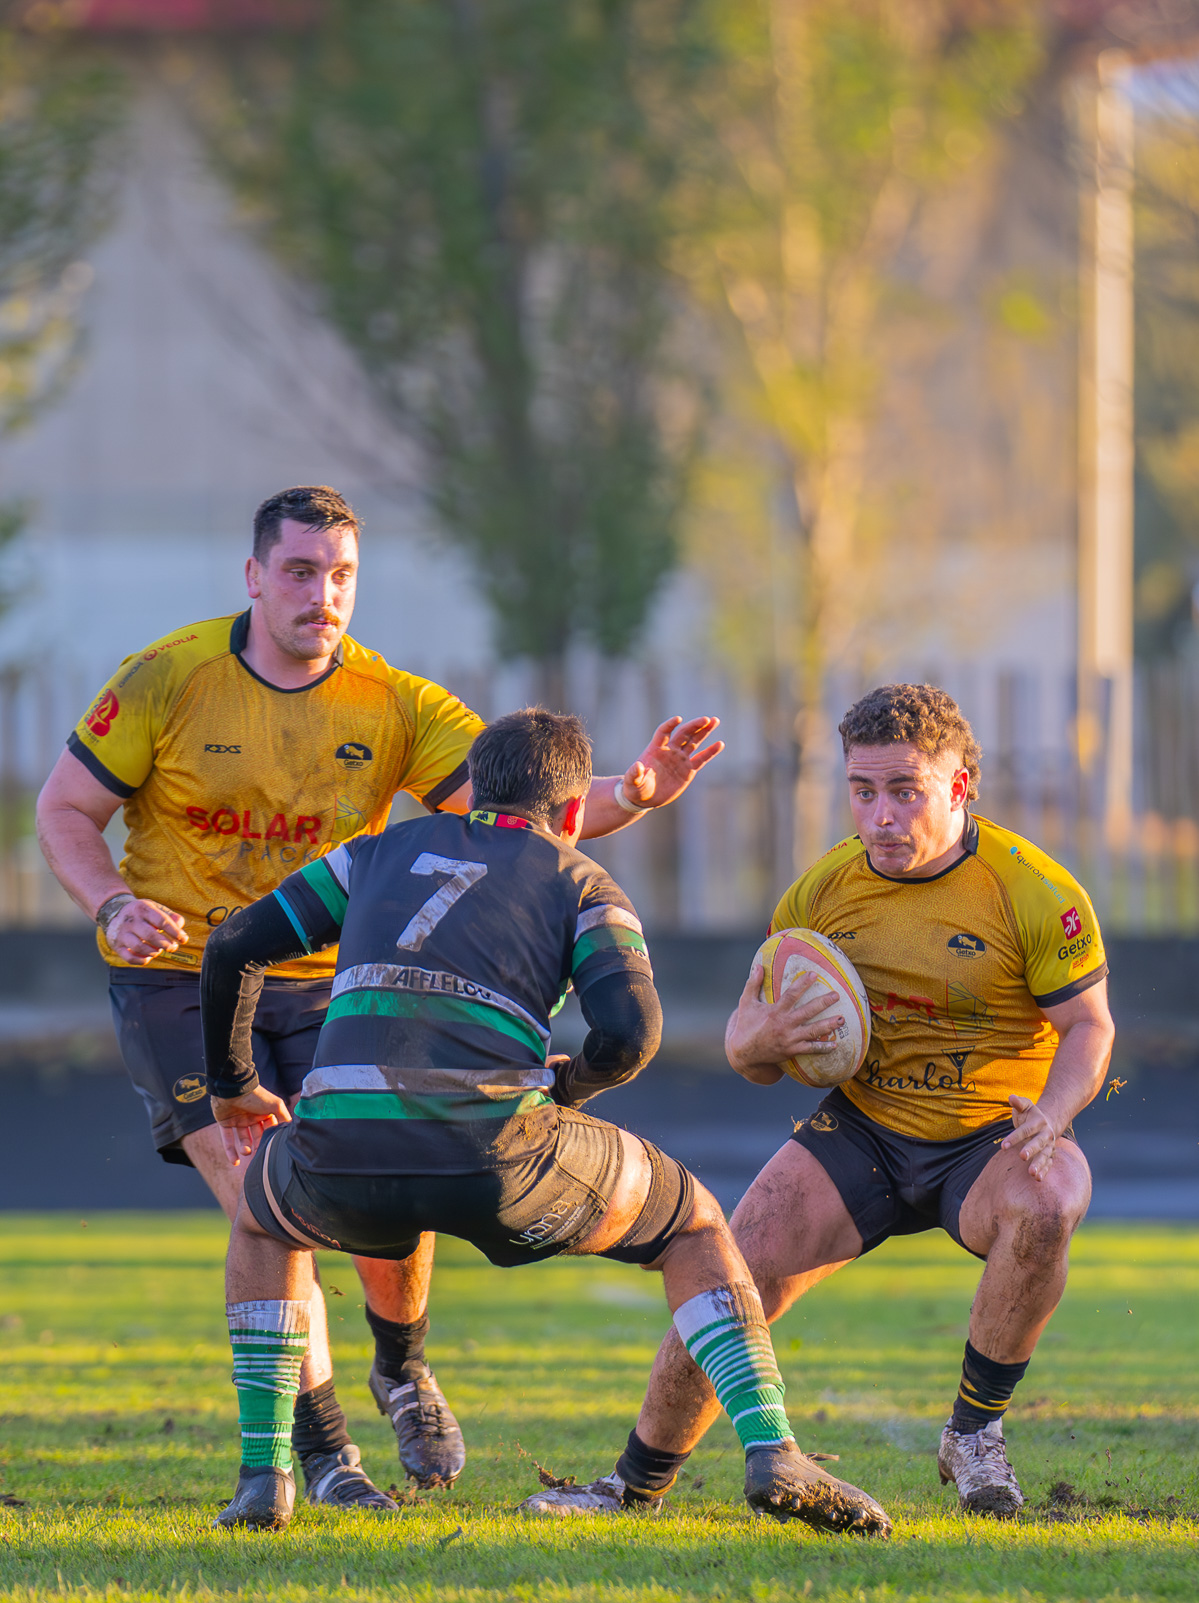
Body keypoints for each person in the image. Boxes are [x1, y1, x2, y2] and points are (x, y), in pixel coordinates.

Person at [35, 485, 723, 1513]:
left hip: (334, 985)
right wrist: (110, 905)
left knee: (384, 1173)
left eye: (343, 575)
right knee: (267, 1198)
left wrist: (632, 793)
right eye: (303, 573)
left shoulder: (393, 702)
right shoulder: (167, 679)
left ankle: (400, 1366)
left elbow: (522, 820)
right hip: (183, 973)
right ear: (255, 576)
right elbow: (65, 808)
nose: (325, 595)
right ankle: (321, 1455)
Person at [197, 707, 892, 1536]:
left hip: (338, 1146)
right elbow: (632, 1033)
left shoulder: (373, 855)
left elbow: (233, 946)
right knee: (696, 1224)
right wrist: (569, 1087)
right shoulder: (580, 880)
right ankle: (771, 1447)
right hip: (499, 1155)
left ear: (472, 793)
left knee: (261, 1221)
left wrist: (235, 1083)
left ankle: (263, 1477)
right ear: (569, 814)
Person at [523, 684, 1113, 1521]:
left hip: (990, 1133)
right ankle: (630, 1488)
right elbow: (743, 1048)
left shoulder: (1031, 890)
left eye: (904, 790)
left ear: (959, 786)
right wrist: (761, 1041)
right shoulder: (820, 896)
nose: (881, 815)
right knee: (727, 1272)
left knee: (1049, 1201)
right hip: (864, 1132)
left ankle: (973, 1435)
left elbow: (1087, 1026)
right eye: (862, 790)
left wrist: (1052, 1113)